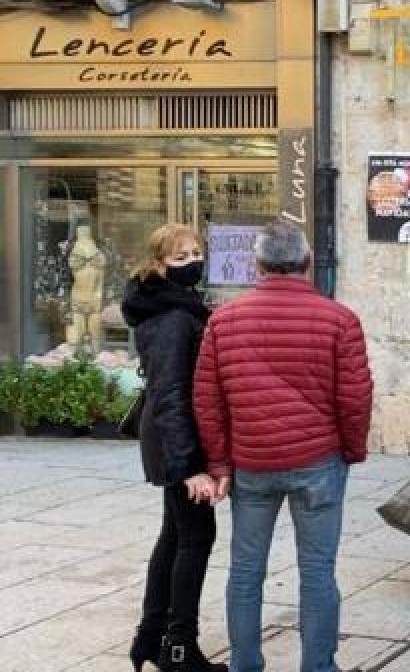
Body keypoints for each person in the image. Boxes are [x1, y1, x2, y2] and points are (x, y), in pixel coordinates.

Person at [193, 221, 373, 672]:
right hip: (318, 461)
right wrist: (351, 450)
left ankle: (245, 665)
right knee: (317, 570)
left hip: (252, 463)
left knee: (246, 569)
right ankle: (318, 666)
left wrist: (218, 460)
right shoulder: (339, 319)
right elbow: (355, 397)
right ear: (307, 263)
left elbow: (207, 399)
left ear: (257, 264)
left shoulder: (223, 321)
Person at [121, 223, 226, 672]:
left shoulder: (173, 306)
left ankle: (150, 637)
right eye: (180, 258)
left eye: (196, 253)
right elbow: (170, 395)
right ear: (158, 264)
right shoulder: (173, 317)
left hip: (171, 437)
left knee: (175, 535)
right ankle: (179, 647)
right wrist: (190, 467)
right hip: (176, 441)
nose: (193, 263)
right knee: (197, 536)